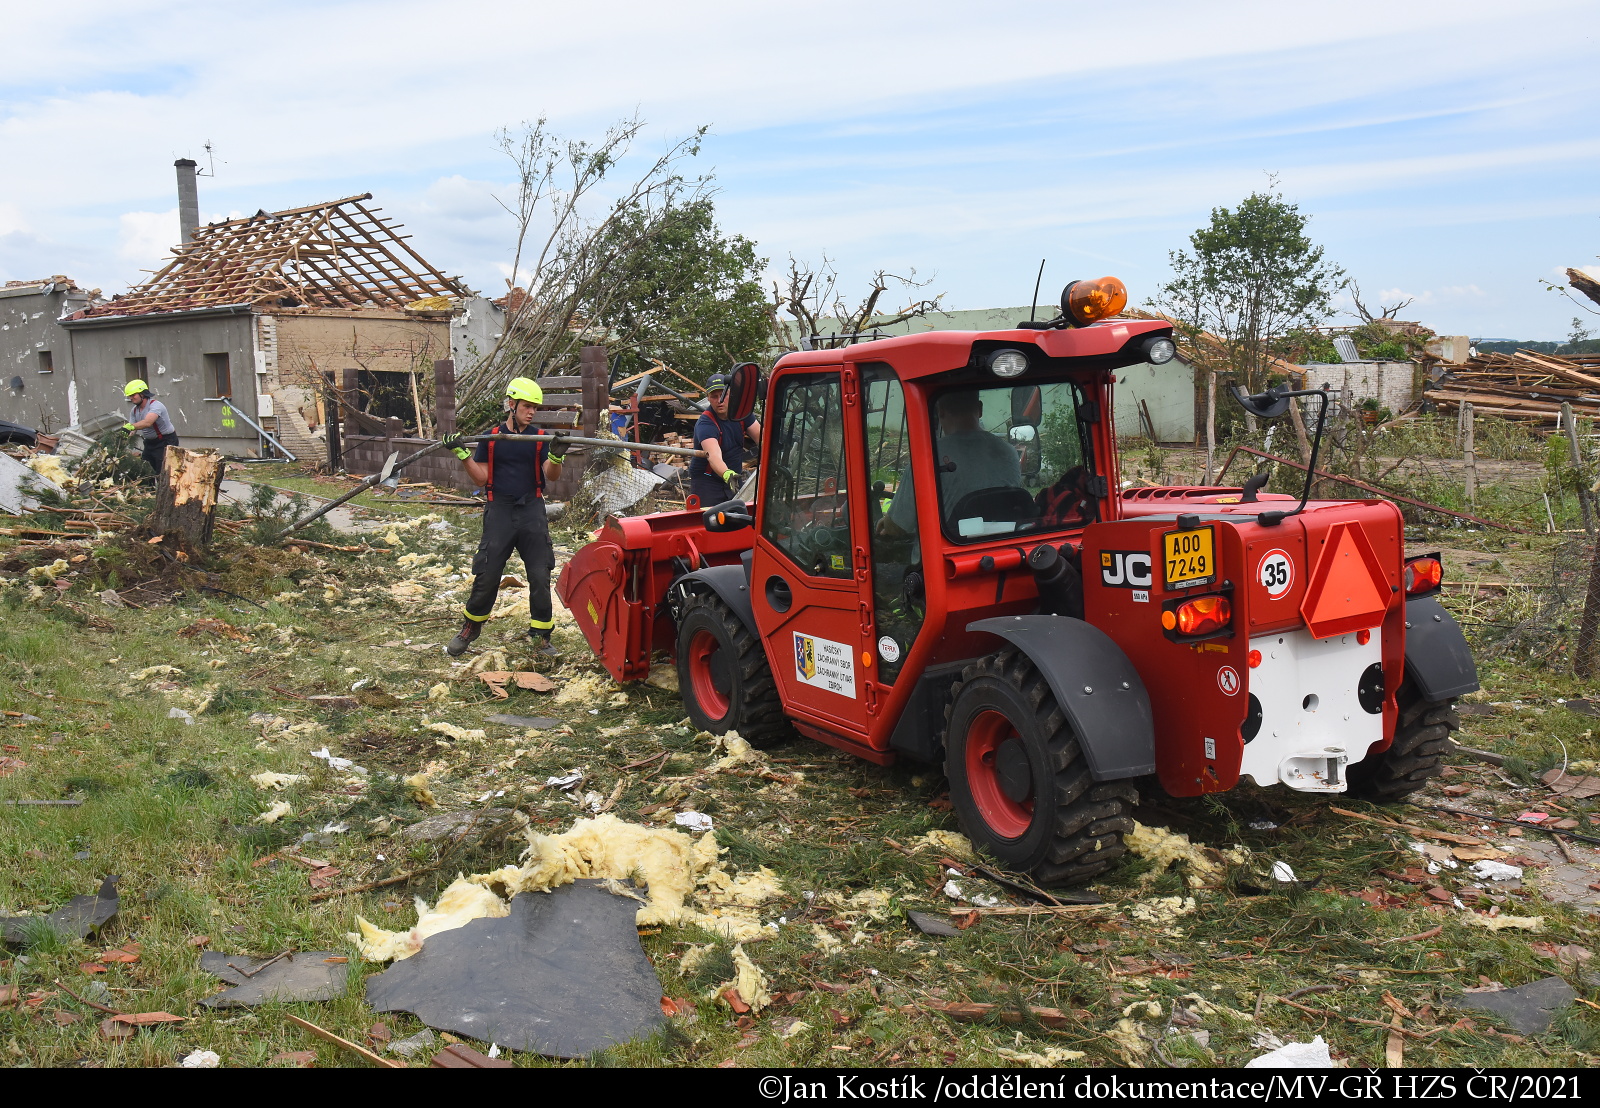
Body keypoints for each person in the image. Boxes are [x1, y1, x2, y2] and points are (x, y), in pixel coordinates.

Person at [440, 377, 567, 658]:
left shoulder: (540, 438)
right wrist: (463, 454)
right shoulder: (491, 438)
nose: (531, 411)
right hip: (500, 510)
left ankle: (541, 636)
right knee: (487, 571)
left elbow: (551, 475)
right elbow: (482, 477)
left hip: (532, 510)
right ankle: (470, 627)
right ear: (511, 404)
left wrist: (556, 458)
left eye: (534, 407)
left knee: (539, 573)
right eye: (526, 406)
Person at [879, 389, 1021, 536]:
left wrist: (886, 523)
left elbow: (898, 527)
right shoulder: (1009, 452)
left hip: (947, 553)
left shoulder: (927, 458)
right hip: (1002, 545)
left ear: (940, 411)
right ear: (979, 409)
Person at [685, 372, 761, 506]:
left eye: (723, 395)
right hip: (707, 482)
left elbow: (761, 437)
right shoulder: (706, 424)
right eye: (714, 396)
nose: (719, 400)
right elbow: (714, 456)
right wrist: (727, 474)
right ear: (708, 398)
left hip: (734, 478)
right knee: (710, 522)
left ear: (731, 394)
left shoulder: (742, 414)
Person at [123, 379, 179, 475]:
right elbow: (132, 430)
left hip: (165, 442)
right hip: (150, 443)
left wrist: (130, 427)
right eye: (129, 396)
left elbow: (147, 422)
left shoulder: (156, 406)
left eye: (133, 395)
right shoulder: (134, 410)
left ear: (142, 394)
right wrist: (124, 436)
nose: (131, 398)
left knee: (162, 472)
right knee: (146, 470)